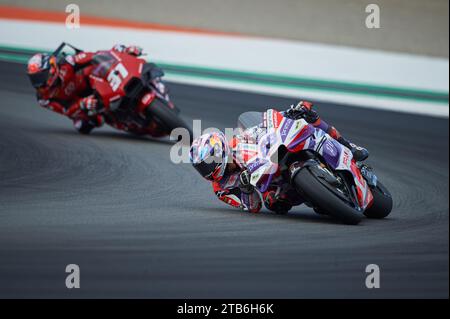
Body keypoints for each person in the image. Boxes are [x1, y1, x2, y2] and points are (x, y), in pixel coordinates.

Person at [189, 101, 369, 214]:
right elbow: (253, 206)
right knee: (275, 204)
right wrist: (245, 188)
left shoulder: (239, 142)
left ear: (219, 150)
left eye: (206, 163)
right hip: (272, 184)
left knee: (307, 116)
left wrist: (287, 114)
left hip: (276, 156)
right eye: (201, 167)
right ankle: (319, 195)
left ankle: (347, 145)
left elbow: (263, 128)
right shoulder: (221, 189)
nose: (206, 169)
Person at [26, 44, 143, 134]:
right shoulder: (44, 97)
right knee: (83, 126)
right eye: (34, 78)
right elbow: (65, 110)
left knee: (112, 54)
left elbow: (94, 56)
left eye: (40, 76)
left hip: (94, 80)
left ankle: (127, 56)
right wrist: (82, 104)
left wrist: (120, 51)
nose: (38, 83)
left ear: (51, 69)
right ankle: (124, 122)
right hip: (83, 103)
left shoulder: (67, 63)